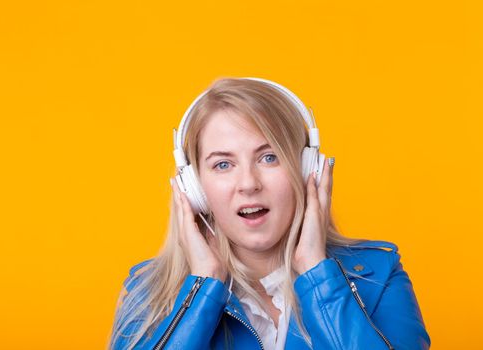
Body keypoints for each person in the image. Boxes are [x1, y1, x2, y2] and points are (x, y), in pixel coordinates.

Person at [109, 77, 431, 350]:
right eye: (223, 164)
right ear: (193, 188)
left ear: (308, 170)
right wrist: (202, 289)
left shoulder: (378, 274)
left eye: (269, 158)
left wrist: (317, 275)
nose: (248, 183)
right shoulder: (147, 292)